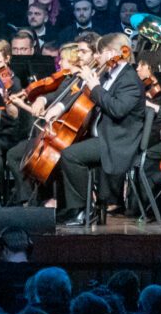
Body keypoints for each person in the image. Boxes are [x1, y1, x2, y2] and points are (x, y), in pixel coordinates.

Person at [52, 33, 145, 226]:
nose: (96, 57)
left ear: (111, 53)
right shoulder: (108, 75)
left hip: (117, 142)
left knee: (70, 156)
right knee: (61, 149)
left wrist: (95, 87)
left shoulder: (129, 79)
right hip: (102, 136)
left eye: (99, 53)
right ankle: (69, 208)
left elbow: (117, 109)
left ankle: (83, 210)